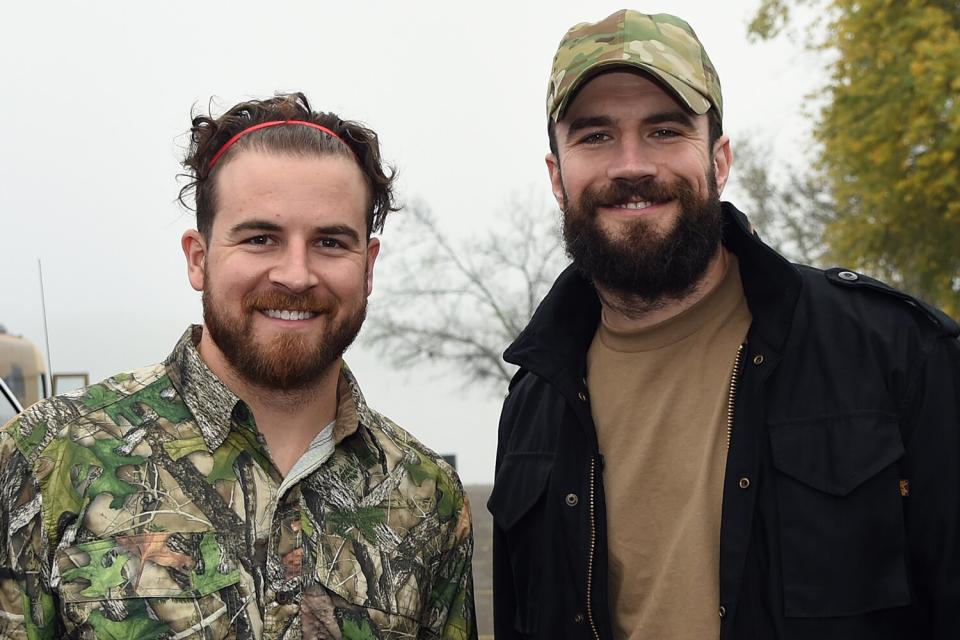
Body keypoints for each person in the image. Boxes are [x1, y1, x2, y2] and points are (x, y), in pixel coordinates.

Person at [489, 10, 960, 640]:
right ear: (556, 175)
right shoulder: (533, 403)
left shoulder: (896, 353)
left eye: (664, 130)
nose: (631, 165)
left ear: (720, 158)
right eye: (595, 136)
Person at [0, 93, 477, 639]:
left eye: (329, 241)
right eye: (260, 239)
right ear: (198, 258)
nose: (295, 275)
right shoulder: (49, 458)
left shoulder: (425, 494)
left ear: (367, 268)